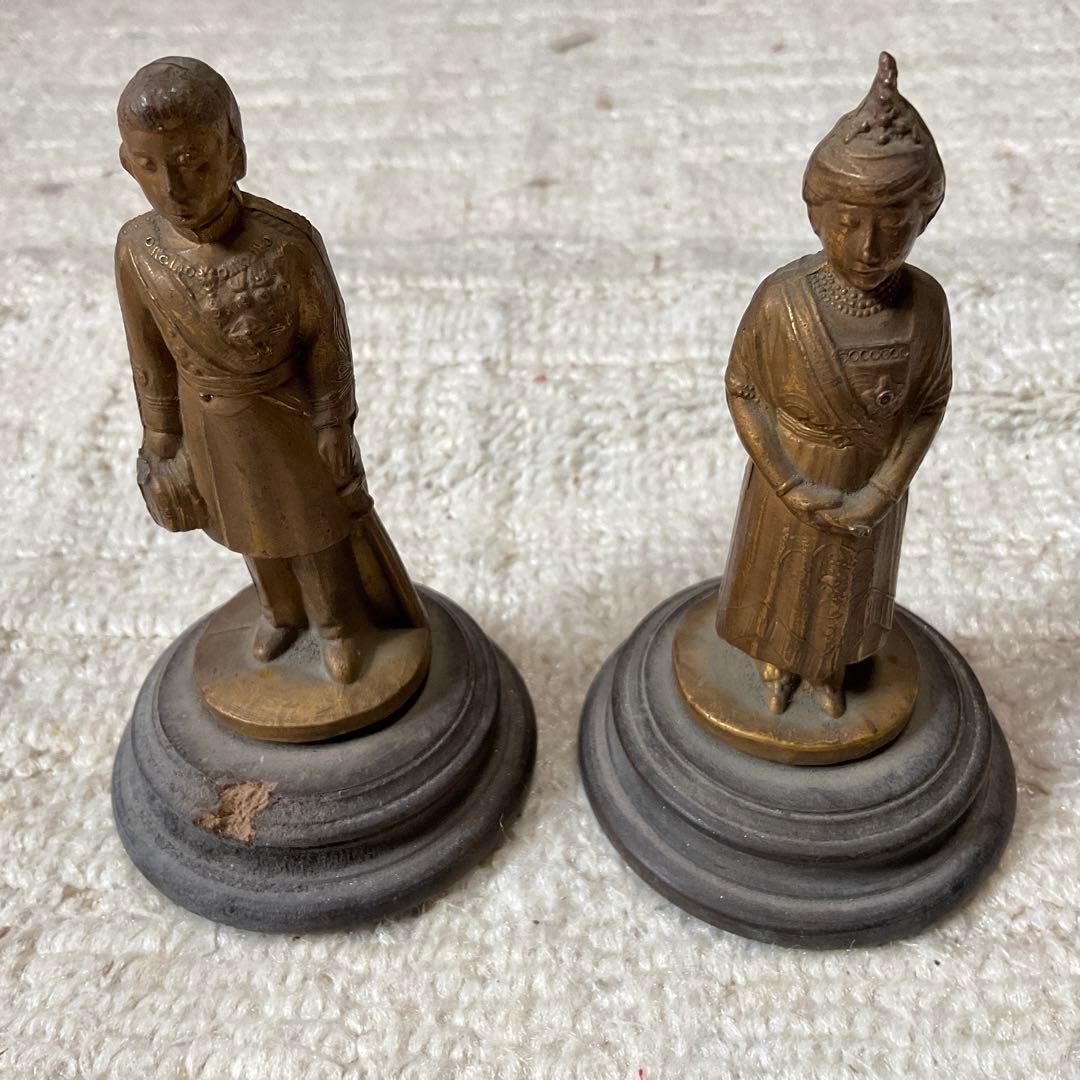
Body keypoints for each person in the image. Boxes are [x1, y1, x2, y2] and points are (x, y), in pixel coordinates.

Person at [115, 56, 424, 685]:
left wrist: (333, 423)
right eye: (150, 166)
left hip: (284, 416)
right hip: (207, 421)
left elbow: (327, 341)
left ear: (234, 153)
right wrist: (162, 438)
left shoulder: (285, 242)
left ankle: (336, 624)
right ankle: (280, 611)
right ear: (127, 164)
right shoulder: (136, 250)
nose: (173, 187)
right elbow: (147, 357)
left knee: (312, 529)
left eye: (192, 161)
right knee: (246, 529)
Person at [715, 52, 951, 718]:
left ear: (924, 219)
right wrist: (789, 482)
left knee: (848, 587)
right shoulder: (782, 300)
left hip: (871, 481)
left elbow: (928, 404)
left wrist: (881, 491)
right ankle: (776, 661)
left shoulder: (926, 305)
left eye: (894, 226)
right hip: (792, 474)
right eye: (850, 224)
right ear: (818, 217)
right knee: (781, 578)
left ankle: (829, 669)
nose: (870, 248)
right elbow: (744, 389)